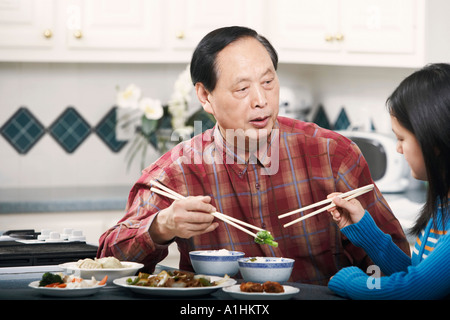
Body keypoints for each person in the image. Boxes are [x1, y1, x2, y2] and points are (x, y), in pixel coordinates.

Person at [97, 26, 410, 285]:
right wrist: (161, 226)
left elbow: (398, 269)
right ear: (205, 96)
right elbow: (106, 264)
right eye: (242, 89)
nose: (261, 100)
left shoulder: (332, 155)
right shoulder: (178, 172)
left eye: (268, 82)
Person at [327, 63, 450, 299]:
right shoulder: (442, 205)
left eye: (402, 138)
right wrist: (365, 229)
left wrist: (349, 280)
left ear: (433, 141)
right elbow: (416, 275)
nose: (399, 149)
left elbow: (412, 290)